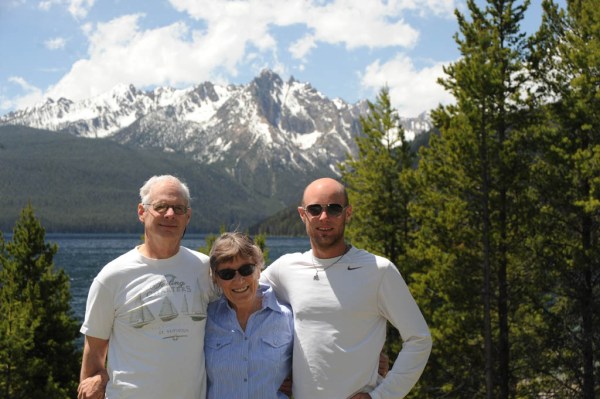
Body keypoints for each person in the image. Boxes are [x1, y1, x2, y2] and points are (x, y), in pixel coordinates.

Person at [261, 177, 432, 399]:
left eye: (334, 209)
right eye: (315, 209)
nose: (324, 217)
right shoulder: (285, 269)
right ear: (303, 215)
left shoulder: (379, 271)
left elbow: (419, 339)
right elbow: (239, 297)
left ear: (348, 213)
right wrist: (276, 371)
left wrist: (382, 396)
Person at [77, 175, 217, 399]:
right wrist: (99, 378)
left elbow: (242, 315)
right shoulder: (112, 277)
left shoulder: (206, 269)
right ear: (142, 212)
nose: (170, 215)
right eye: (161, 206)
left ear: (187, 217)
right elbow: (93, 355)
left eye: (178, 209)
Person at [205, 232, 293, 398]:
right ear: (215, 278)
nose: (239, 280)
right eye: (227, 274)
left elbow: (314, 361)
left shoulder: (286, 317)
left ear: (259, 270)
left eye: (246, 270)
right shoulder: (206, 319)